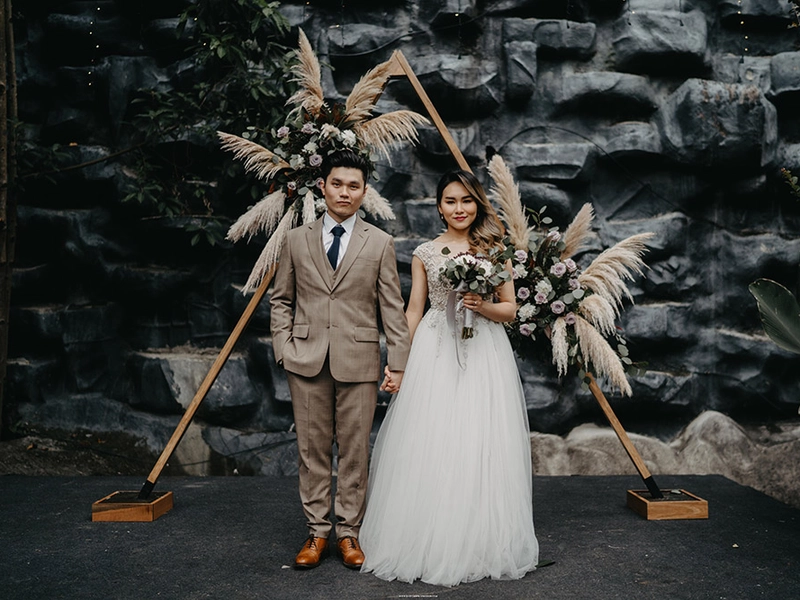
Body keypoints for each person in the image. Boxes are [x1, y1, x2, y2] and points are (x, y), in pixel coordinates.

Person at [359, 170, 539, 586]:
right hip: (436, 347)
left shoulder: (495, 249)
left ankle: (478, 539)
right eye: (451, 201)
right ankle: (426, 537)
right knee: (432, 439)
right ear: (439, 206)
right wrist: (398, 362)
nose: (460, 209)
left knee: (480, 439)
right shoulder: (425, 252)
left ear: (477, 204)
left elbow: (510, 309)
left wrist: (481, 304)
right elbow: (414, 308)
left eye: (467, 201)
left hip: (484, 351)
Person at [270, 149, 411, 570]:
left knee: (354, 450)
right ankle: (317, 532)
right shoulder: (295, 239)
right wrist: (284, 347)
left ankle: (349, 533)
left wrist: (398, 363)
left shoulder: (380, 243)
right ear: (323, 186)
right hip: (306, 359)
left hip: (359, 360)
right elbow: (281, 300)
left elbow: (392, 306)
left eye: (354, 185)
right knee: (311, 450)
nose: (345, 192)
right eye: (337, 183)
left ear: (364, 191)